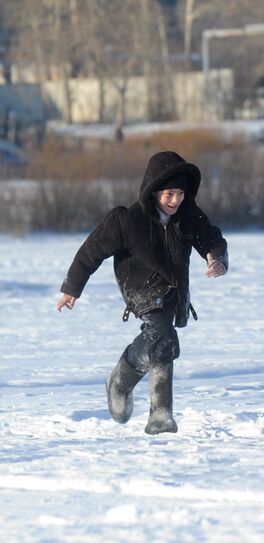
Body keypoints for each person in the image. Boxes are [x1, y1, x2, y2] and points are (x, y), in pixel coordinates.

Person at [55, 150, 229, 435]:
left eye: (181, 194)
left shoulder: (188, 217)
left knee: (161, 342)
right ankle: (160, 415)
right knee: (163, 335)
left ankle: (120, 382)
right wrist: (72, 288)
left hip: (173, 294)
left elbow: (212, 239)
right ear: (154, 190)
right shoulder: (125, 220)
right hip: (140, 289)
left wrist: (217, 259)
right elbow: (90, 253)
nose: (176, 201)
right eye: (169, 194)